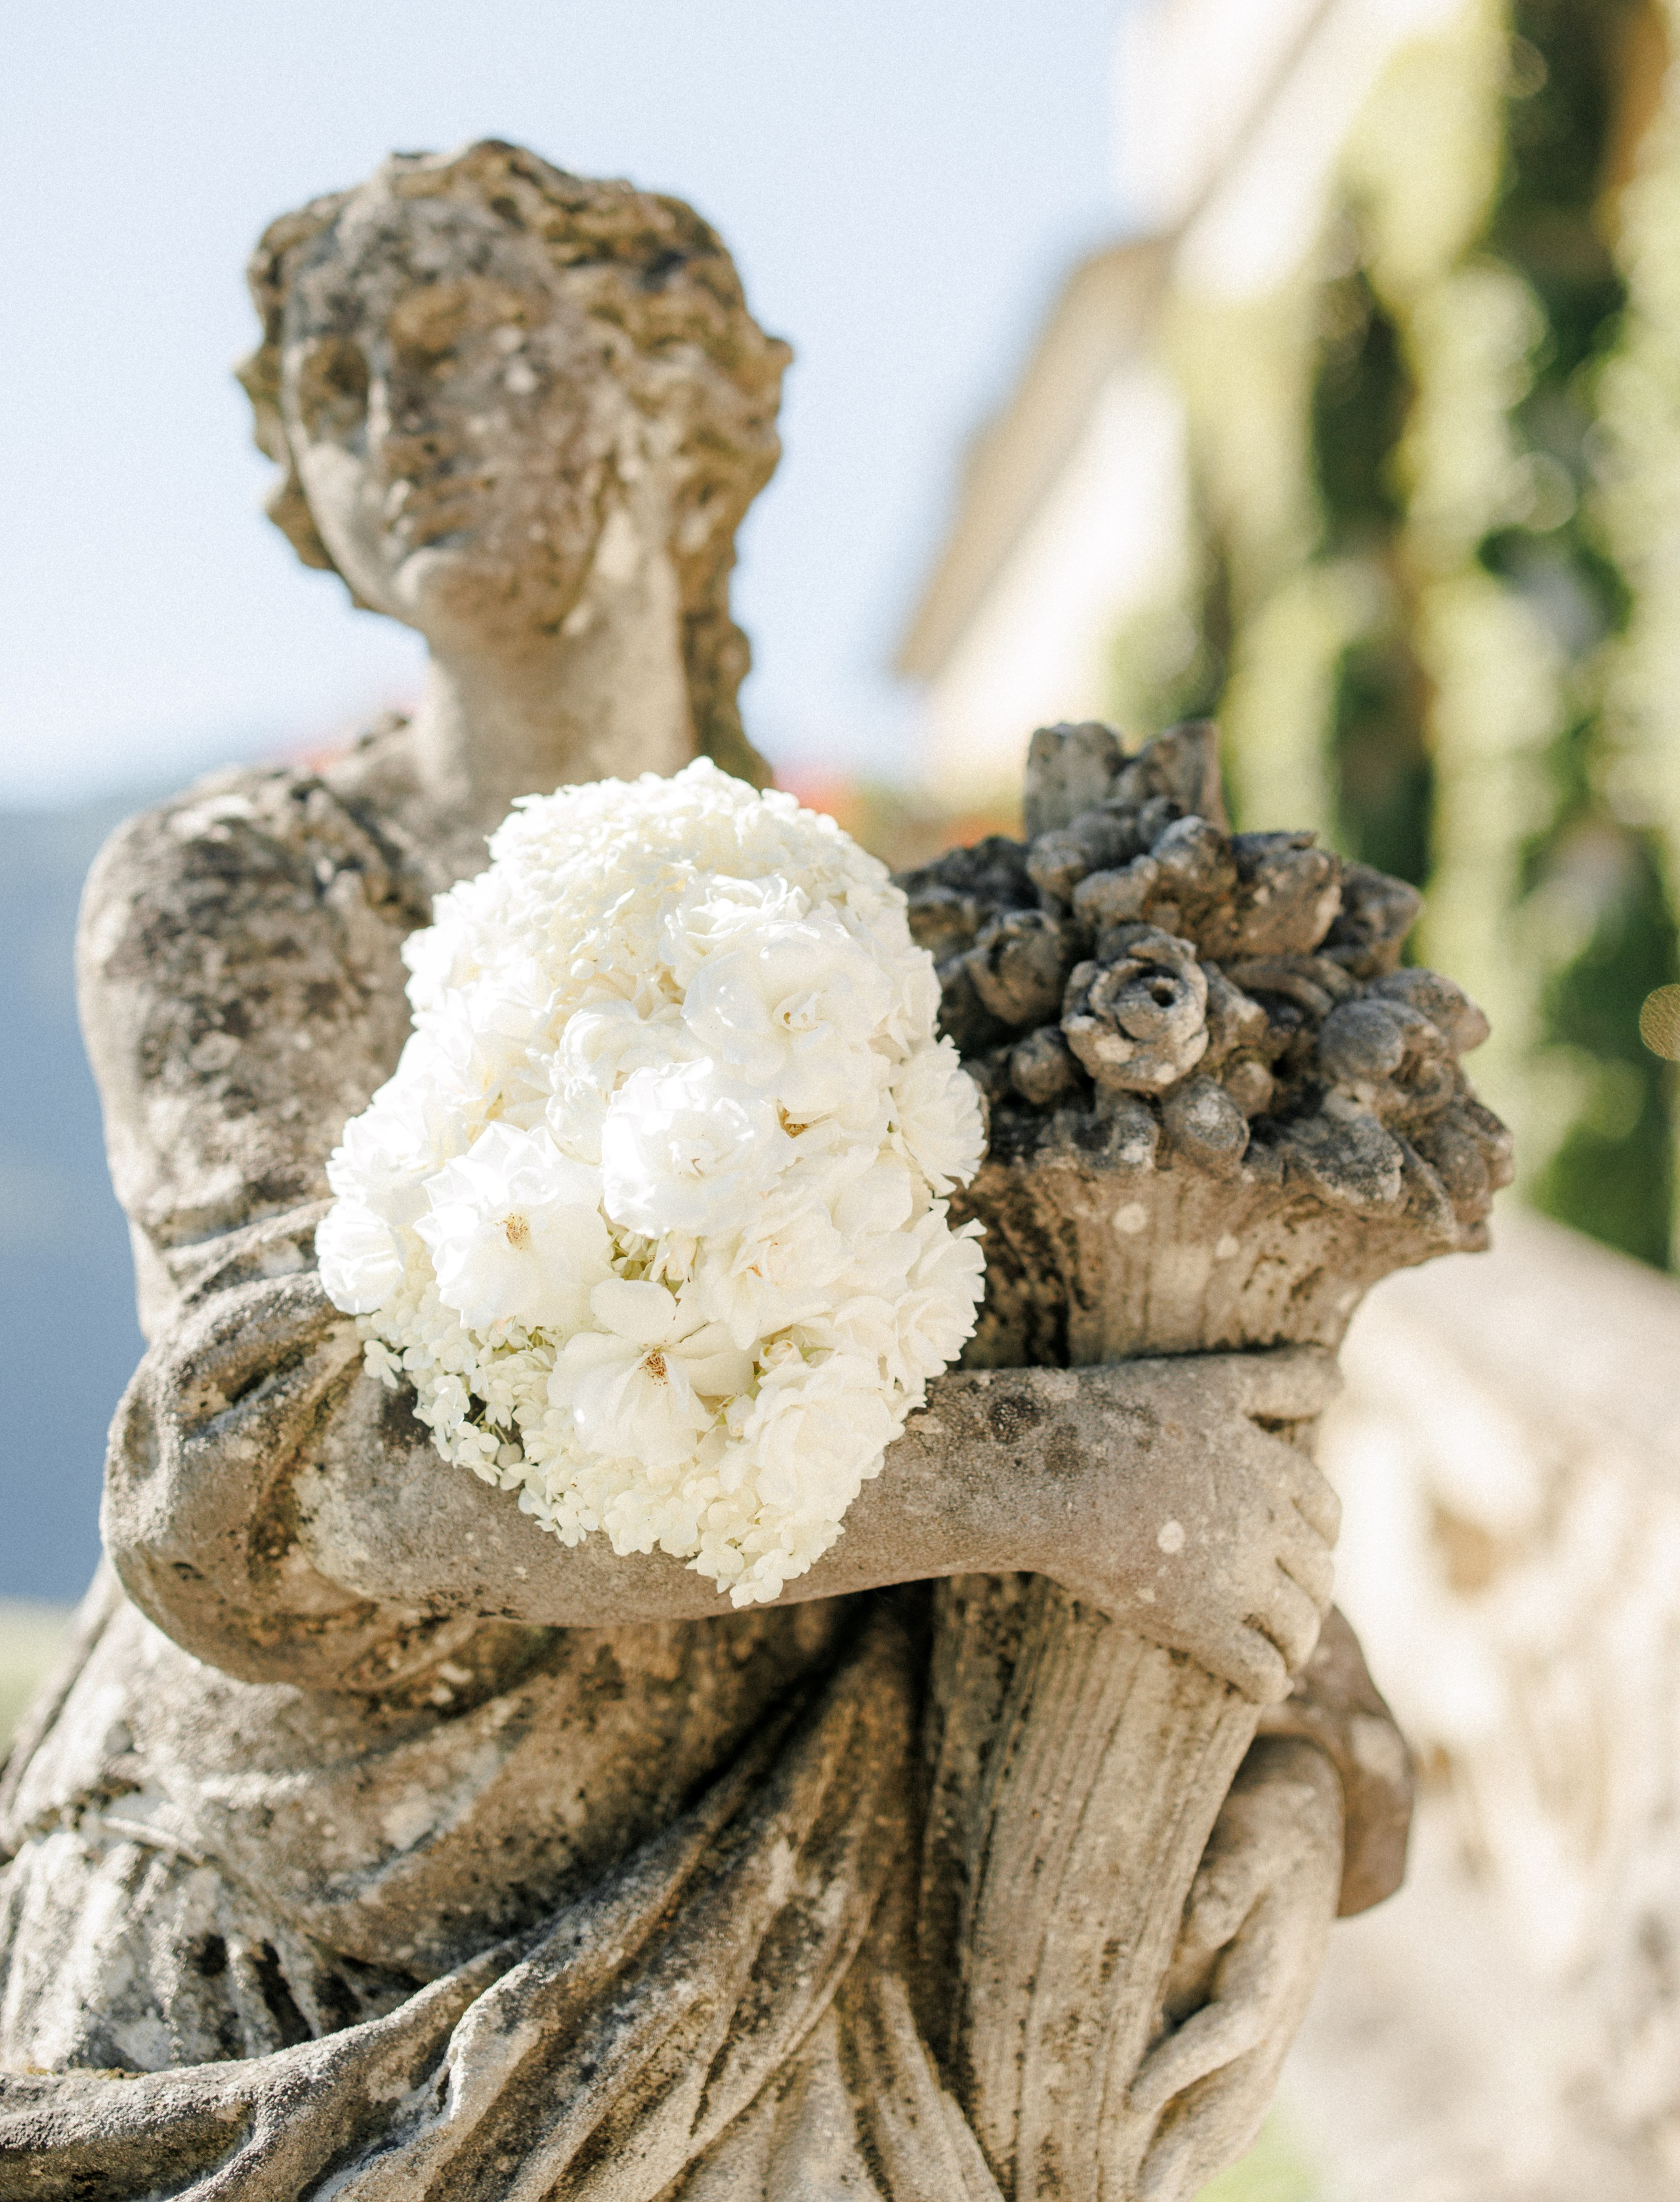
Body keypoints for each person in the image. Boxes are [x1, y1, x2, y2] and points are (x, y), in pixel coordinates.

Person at [0, 142, 1388, 2200]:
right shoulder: (247, 892)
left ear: (663, 395)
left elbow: (1209, 1444)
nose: (392, 430)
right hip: (281, 1970)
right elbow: (275, 1481)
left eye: (456, 345)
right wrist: (1040, 1482)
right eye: (331, 393)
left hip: (784, 1949)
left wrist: (1291, 1790)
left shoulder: (932, 959)